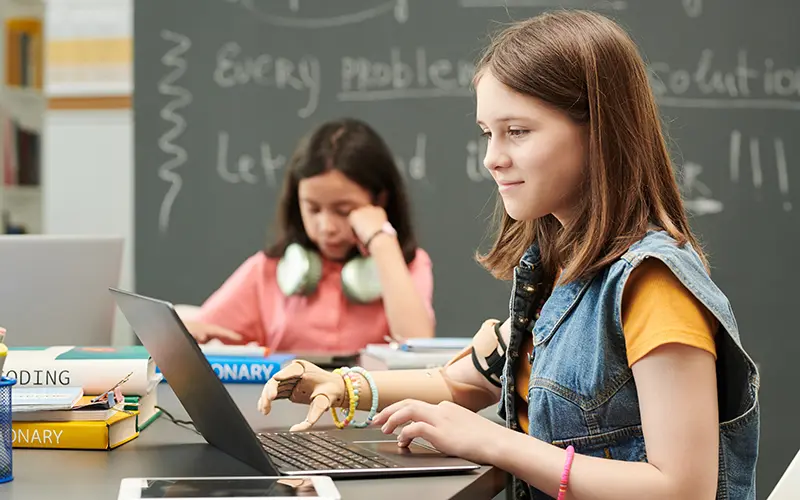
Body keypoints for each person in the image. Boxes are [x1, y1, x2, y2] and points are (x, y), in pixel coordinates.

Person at [256, 10, 760, 500]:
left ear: (599, 131)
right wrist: (341, 386)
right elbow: (457, 383)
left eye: (517, 131)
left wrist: (495, 441)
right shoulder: (556, 270)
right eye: (487, 133)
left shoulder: (653, 284)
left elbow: (682, 489)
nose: (492, 157)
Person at [185, 118, 436, 353]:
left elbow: (417, 347)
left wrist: (381, 240)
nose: (326, 226)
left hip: (375, 400)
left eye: (343, 210)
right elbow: (200, 330)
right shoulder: (267, 270)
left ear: (379, 199)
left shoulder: (409, 265)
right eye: (313, 209)